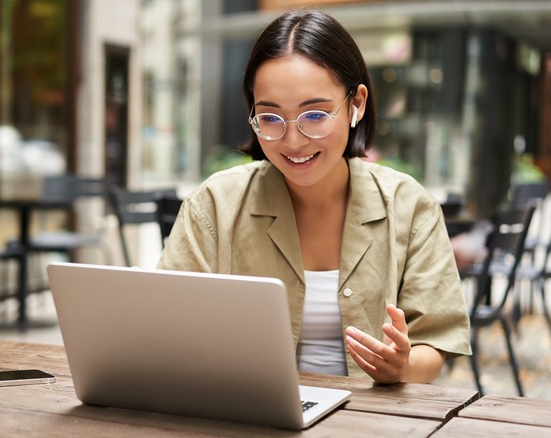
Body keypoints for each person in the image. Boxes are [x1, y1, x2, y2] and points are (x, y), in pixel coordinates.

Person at [157, 9, 471, 384]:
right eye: (271, 118)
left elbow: (433, 343)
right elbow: (166, 329)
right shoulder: (213, 206)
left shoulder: (410, 207)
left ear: (356, 104)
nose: (293, 141)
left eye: (315, 115)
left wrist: (401, 367)